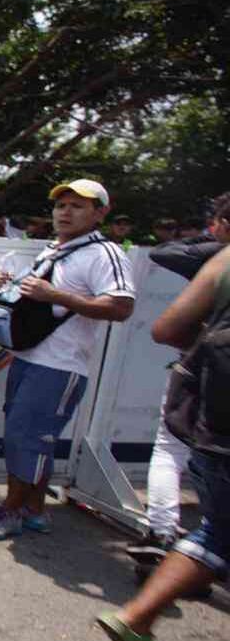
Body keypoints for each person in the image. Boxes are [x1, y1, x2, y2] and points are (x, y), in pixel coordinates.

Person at [0, 178, 135, 539]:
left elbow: (121, 306)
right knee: (29, 437)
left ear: (100, 213)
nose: (65, 212)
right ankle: (35, 510)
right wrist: (7, 285)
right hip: (31, 358)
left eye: (77, 206)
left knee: (27, 438)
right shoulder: (53, 249)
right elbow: (37, 297)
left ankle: (11, 511)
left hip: (60, 367)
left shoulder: (104, 254)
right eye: (61, 205)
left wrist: (55, 295)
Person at [96, 243, 230, 641]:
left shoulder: (225, 258)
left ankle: (136, 616)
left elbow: (167, 328)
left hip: (212, 428)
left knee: (216, 533)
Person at [126, 192, 230, 567]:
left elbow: (166, 328)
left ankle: (165, 532)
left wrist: (214, 236)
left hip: (210, 377)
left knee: (171, 451)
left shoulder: (219, 260)